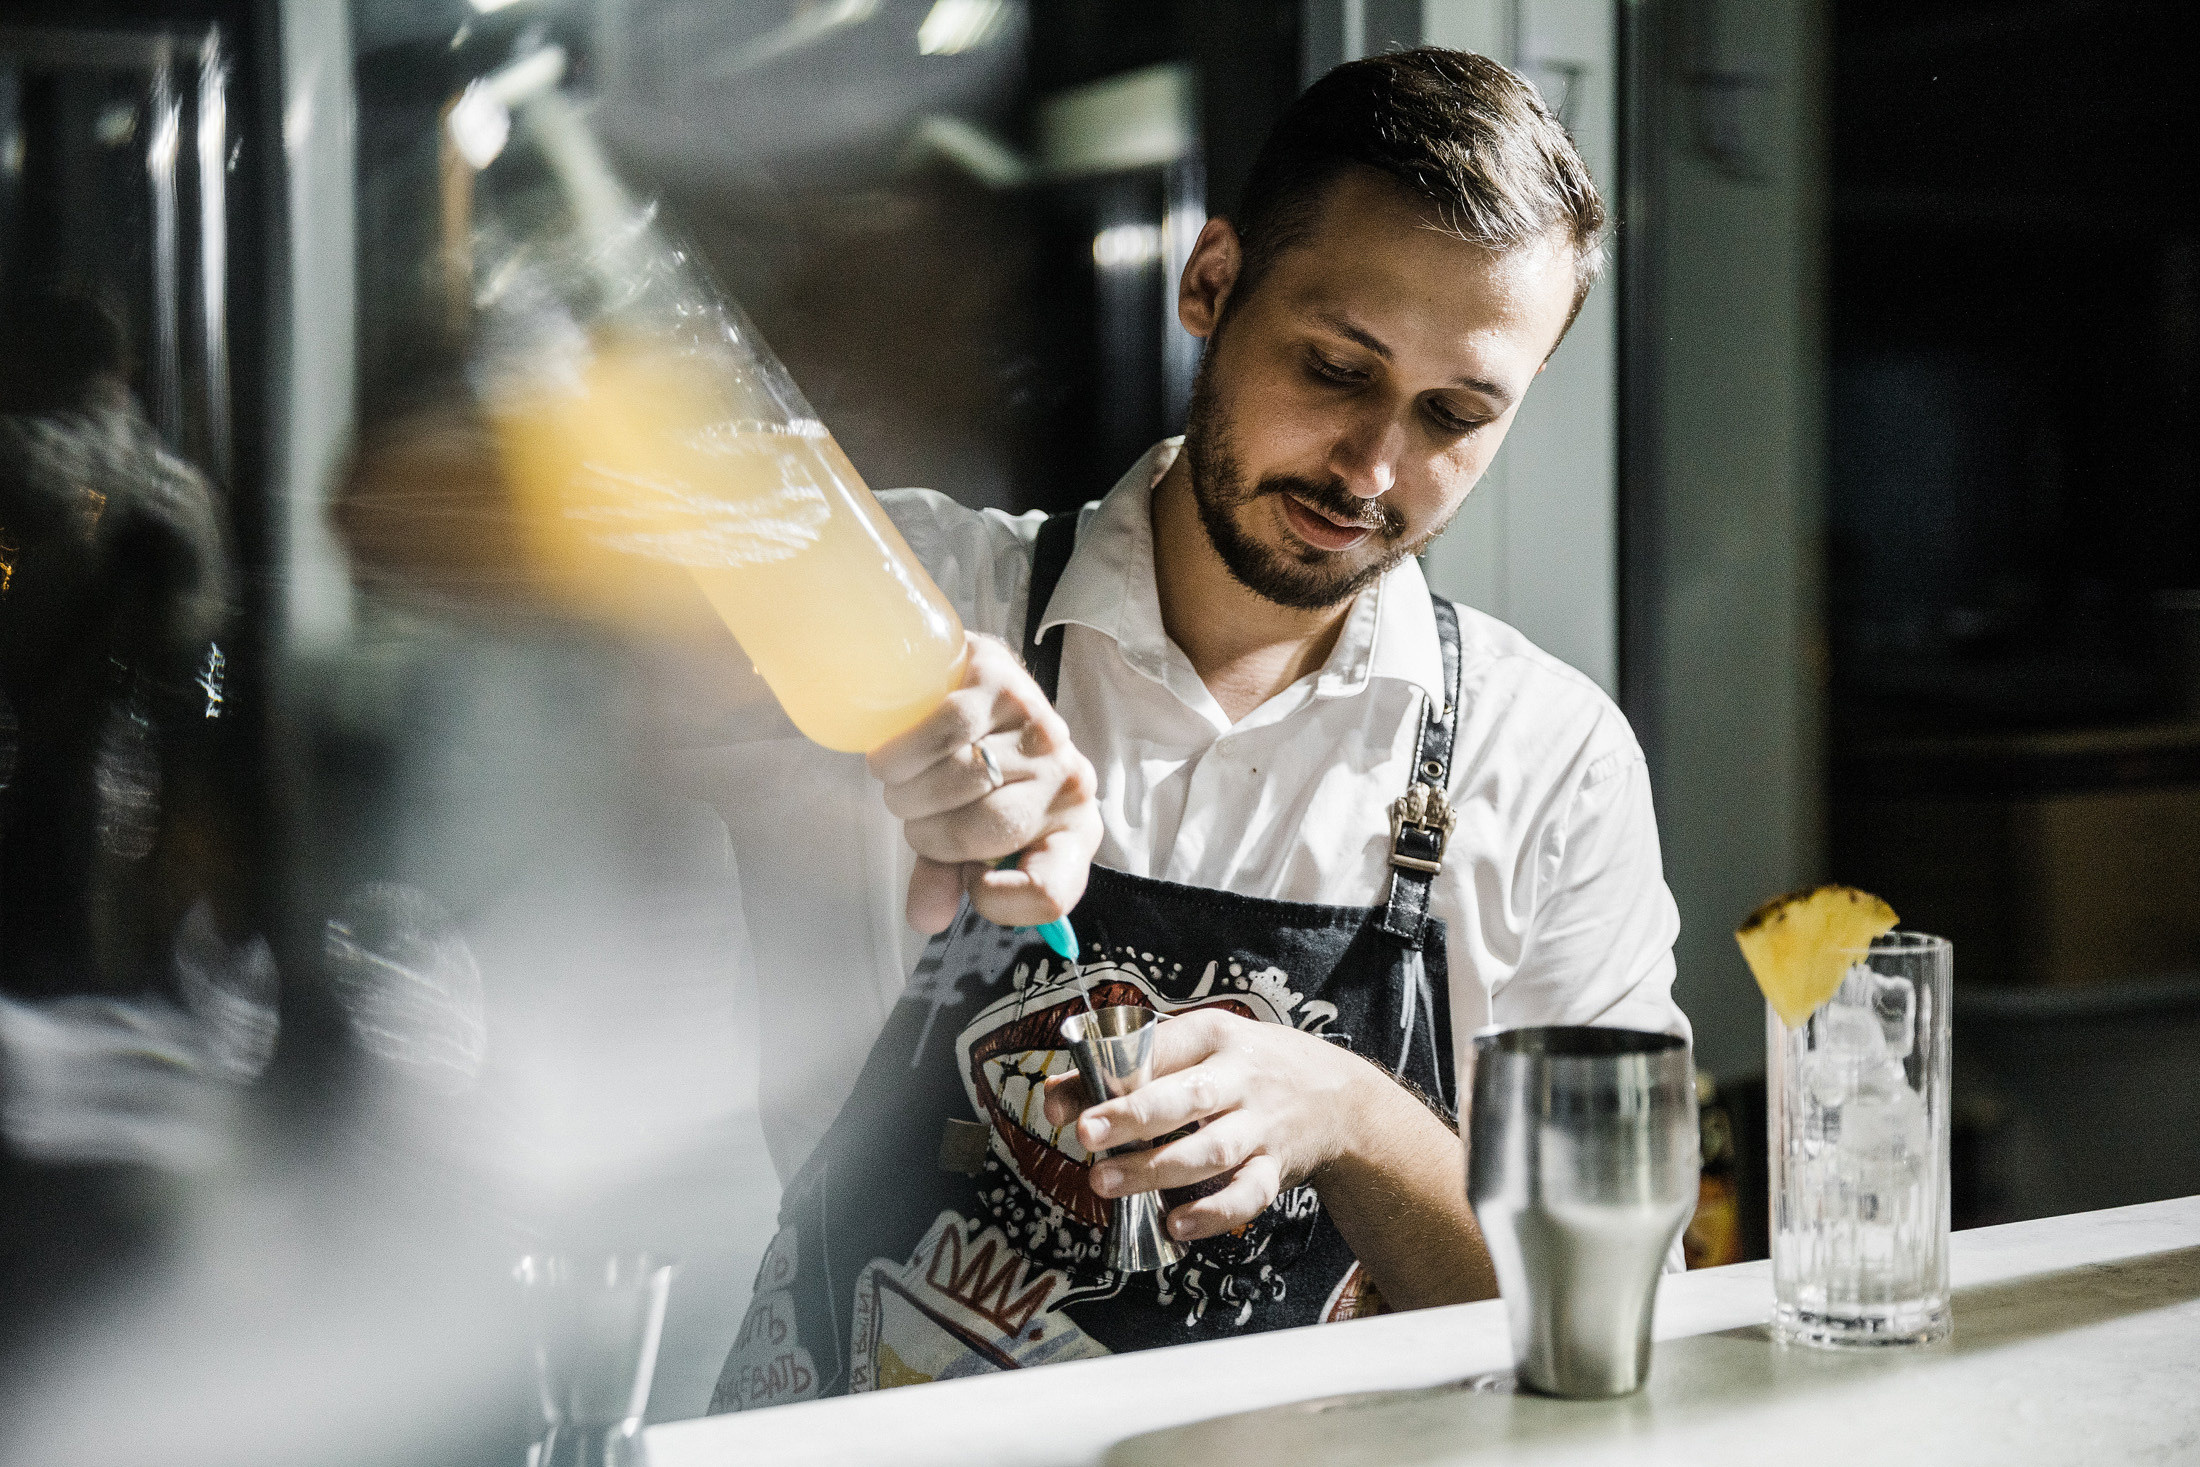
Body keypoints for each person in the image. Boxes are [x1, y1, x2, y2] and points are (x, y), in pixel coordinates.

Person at [708, 47, 1685, 1410]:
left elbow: (1601, 1318)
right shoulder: (927, 596)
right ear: (1212, 282)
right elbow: (439, 532)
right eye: (1338, 368)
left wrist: (1350, 1118)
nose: (1374, 468)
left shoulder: (1554, 761)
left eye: (1456, 416)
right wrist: (864, 702)